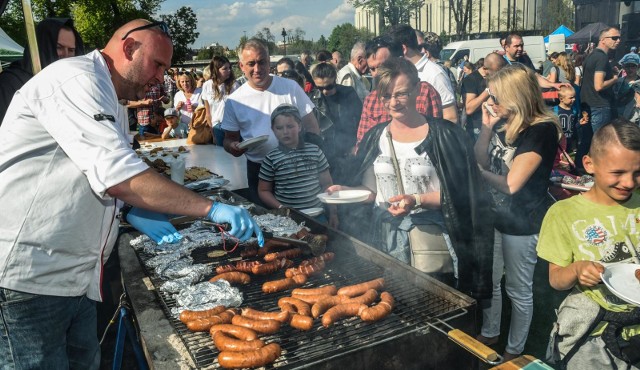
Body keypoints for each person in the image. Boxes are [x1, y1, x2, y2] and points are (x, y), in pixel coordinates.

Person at [0, 19, 263, 369]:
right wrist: (210, 209)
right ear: (128, 48)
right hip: (30, 279)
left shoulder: (110, 96)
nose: (161, 77)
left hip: (75, 277)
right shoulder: (76, 79)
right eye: (158, 65)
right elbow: (117, 174)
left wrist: (128, 210)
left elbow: (97, 169)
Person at [330, 57, 494, 299]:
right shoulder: (376, 137)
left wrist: (416, 200)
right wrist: (345, 191)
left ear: (418, 89)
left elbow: (465, 196)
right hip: (385, 239)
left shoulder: (446, 135)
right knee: (395, 304)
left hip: (432, 243)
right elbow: (374, 192)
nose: (393, 102)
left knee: (435, 305)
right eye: (386, 96)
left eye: (401, 94)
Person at [474, 64, 561, 361]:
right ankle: (491, 332)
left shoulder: (542, 130)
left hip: (523, 222)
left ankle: (515, 349)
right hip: (496, 217)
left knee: (518, 288)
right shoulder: (504, 122)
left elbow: (512, 184)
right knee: (491, 280)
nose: (491, 103)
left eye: (496, 97)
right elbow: (481, 157)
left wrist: (480, 174)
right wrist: (486, 127)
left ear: (515, 96)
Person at [537, 120, 640, 370]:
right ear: (589, 164)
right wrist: (576, 270)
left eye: (637, 172)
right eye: (617, 173)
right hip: (591, 336)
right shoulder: (564, 213)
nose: (628, 182)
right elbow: (555, 279)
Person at [221, 39, 321, 206]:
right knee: (269, 221)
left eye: (262, 62)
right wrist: (233, 147)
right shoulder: (234, 101)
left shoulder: (290, 87)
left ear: (269, 62)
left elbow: (312, 127)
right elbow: (228, 139)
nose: (257, 69)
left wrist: (309, 160)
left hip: (296, 167)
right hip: (258, 170)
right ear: (241, 66)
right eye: (251, 63)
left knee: (302, 217)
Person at [258, 104, 338, 227]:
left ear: (299, 126)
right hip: (288, 219)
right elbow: (263, 190)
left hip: (318, 217)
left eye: (290, 126)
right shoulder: (271, 158)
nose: (285, 132)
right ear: (273, 129)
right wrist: (281, 207)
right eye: (279, 128)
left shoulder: (315, 151)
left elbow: (327, 185)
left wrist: (333, 213)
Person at [356, 35, 443, 148]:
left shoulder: (424, 92)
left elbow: (437, 138)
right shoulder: (371, 100)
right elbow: (362, 144)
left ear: (400, 60)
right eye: (372, 69)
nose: (377, 74)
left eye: (383, 66)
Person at [0, 18, 84, 124]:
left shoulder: (68, 85)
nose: (66, 55)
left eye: (71, 50)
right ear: (43, 46)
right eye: (59, 47)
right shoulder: (9, 83)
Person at [387, 24, 458, 124]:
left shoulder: (435, 74)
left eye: (392, 52)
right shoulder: (401, 71)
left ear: (403, 49)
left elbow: (451, 117)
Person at [309, 62, 362, 183]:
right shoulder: (312, 99)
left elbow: (361, 120)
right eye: (320, 87)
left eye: (329, 86)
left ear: (335, 79)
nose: (324, 91)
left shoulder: (348, 93)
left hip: (348, 151)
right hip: (324, 155)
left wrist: (357, 145)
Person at [577, 26, 621, 173]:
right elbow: (598, 85)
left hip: (588, 105)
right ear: (603, 39)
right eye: (614, 38)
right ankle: (602, 172)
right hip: (599, 105)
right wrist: (615, 79)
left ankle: (579, 169)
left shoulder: (591, 55)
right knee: (601, 142)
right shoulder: (601, 57)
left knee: (588, 140)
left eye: (619, 38)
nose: (618, 41)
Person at [461, 53, 506, 141]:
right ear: (485, 68)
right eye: (496, 71)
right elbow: (469, 109)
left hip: (499, 126)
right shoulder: (471, 79)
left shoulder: (499, 77)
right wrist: (488, 91)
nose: (499, 75)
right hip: (479, 129)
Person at [201, 55, 240, 146]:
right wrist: (213, 134)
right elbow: (208, 113)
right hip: (216, 127)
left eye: (229, 68)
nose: (229, 70)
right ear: (216, 70)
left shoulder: (235, 85)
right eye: (225, 69)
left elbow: (239, 110)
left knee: (234, 155)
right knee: (220, 156)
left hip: (232, 127)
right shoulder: (207, 85)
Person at [613, 53, 640, 119]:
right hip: (619, 116)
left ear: (637, 66)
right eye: (627, 66)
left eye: (633, 66)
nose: (630, 69)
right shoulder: (619, 81)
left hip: (635, 117)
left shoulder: (638, 81)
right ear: (623, 67)